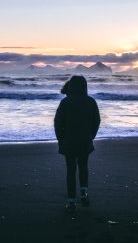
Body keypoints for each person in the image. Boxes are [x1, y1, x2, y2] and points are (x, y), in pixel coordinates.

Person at [54, 75, 101, 212]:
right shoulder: (90, 101)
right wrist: (91, 136)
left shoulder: (65, 102)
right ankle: (84, 192)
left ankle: (71, 201)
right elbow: (96, 121)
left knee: (70, 170)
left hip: (69, 141)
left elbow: (58, 123)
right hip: (85, 140)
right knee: (83, 166)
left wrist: (60, 139)